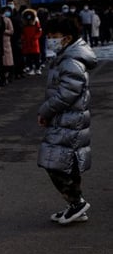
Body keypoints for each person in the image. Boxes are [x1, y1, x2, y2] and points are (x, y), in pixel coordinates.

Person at [37, 15, 97, 224]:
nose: (50, 40)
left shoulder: (70, 60)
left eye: (54, 36)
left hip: (70, 119)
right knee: (66, 163)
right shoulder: (65, 56)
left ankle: (77, 203)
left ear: (67, 37)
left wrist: (45, 111)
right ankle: (75, 205)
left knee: (54, 162)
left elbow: (67, 94)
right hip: (66, 119)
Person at [21, 9, 42, 75]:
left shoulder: (36, 22)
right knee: (28, 57)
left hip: (34, 42)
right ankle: (31, 68)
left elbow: (39, 31)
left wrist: (35, 38)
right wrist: (23, 38)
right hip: (27, 42)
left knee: (36, 56)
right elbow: (22, 32)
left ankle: (38, 68)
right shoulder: (24, 23)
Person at [0, 7, 15, 83]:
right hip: (0, 41)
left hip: (6, 41)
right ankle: (4, 76)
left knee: (8, 60)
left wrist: (4, 31)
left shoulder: (8, 20)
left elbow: (11, 31)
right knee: (2, 61)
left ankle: (10, 75)